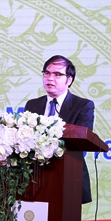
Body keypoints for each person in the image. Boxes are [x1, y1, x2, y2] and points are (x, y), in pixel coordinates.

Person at [24, 55, 95, 204]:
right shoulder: (33, 105)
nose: (50, 78)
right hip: (35, 177)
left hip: (68, 176)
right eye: (47, 73)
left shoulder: (83, 105)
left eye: (57, 74)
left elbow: (82, 137)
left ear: (69, 80)